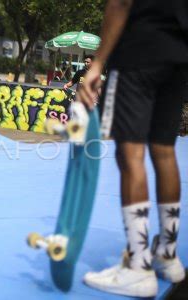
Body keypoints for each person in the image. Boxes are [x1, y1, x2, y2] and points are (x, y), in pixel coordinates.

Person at [78, 0, 187, 297]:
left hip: (139, 49)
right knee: (164, 151)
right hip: (178, 52)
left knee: (130, 153)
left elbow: (121, 1)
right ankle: (167, 254)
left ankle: (138, 266)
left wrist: (98, 62)